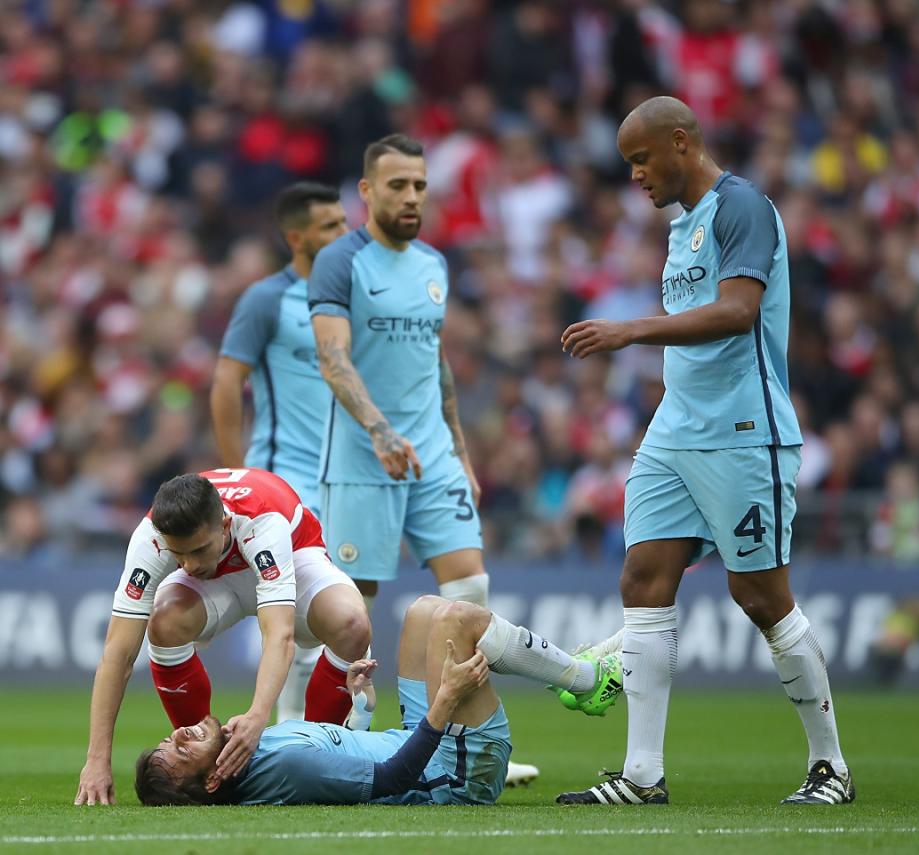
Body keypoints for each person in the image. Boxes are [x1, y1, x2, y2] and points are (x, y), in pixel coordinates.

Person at [554, 97, 853, 807]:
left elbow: (738, 311)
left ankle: (830, 767)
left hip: (745, 431)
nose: (635, 176)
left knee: (760, 595)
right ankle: (642, 775)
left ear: (680, 144)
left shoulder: (740, 207)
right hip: (676, 429)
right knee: (643, 576)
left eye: (641, 160)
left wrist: (631, 331)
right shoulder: (682, 224)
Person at [308, 133, 538, 786]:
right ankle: (344, 732)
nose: (411, 197)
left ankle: (460, 734)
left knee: (470, 587)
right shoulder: (341, 262)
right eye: (398, 185)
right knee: (352, 609)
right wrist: (380, 431)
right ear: (368, 192)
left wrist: (458, 448)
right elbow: (333, 358)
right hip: (362, 455)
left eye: (419, 186)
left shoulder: (434, 263)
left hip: (432, 452)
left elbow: (434, 364)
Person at [133, 597, 623, 806]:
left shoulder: (255, 744)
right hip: (459, 774)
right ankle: (585, 680)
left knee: (422, 613)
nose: (177, 732)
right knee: (457, 620)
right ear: (215, 777)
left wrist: (361, 711)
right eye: (180, 751)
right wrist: (446, 700)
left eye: (167, 738)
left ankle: (578, 676)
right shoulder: (283, 762)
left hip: (420, 741)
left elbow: (350, 761)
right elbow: (392, 779)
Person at [75, 467, 371, 806]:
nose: (187, 565)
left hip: (293, 559)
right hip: (217, 582)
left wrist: (257, 718)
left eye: (197, 550)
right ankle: (204, 766)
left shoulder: (262, 521)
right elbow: (118, 654)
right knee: (164, 620)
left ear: (225, 525)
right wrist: (97, 759)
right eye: (178, 553)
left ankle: (313, 752)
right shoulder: (151, 539)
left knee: (351, 623)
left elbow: (279, 635)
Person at [210, 182, 350, 723]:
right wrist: (234, 477)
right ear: (298, 236)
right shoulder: (267, 298)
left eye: (345, 222)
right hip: (285, 477)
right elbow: (227, 382)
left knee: (344, 610)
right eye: (331, 226)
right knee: (295, 609)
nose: (345, 234)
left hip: (348, 479)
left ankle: (336, 735)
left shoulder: (350, 297)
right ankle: (293, 733)